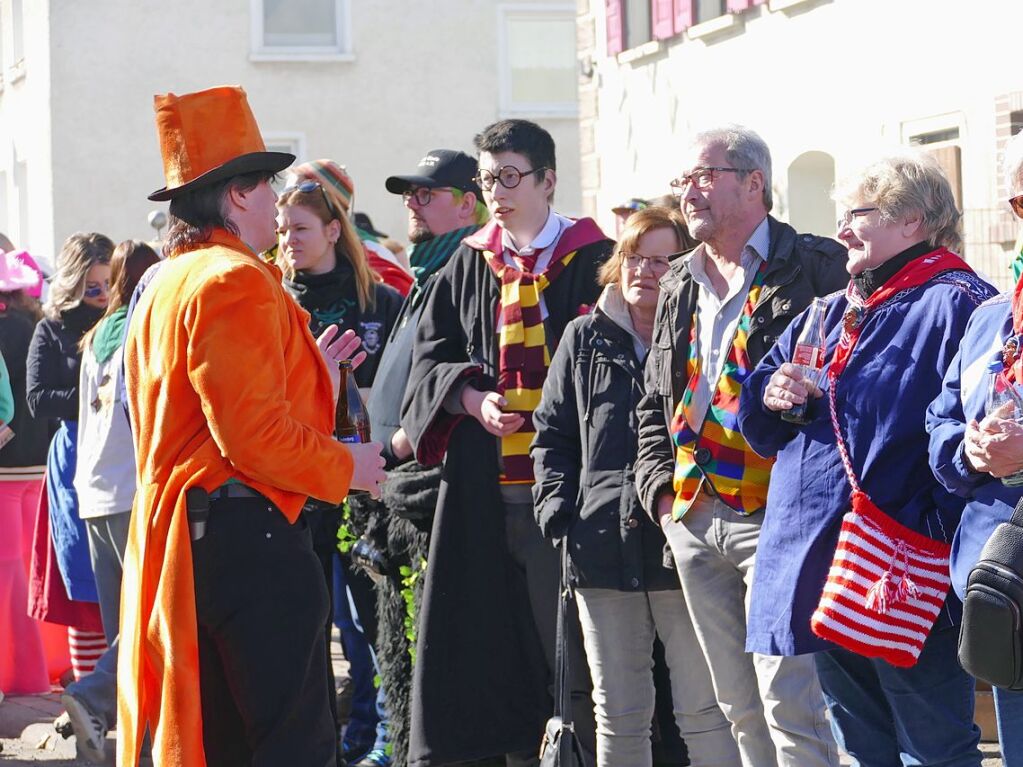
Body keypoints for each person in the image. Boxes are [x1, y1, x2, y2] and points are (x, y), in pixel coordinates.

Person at [117, 85, 386, 767]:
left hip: (202, 538)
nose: (276, 199)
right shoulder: (230, 280)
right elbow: (253, 437)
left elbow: (210, 417)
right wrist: (347, 467)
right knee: (291, 743)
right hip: (248, 541)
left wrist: (313, 381)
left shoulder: (171, 280)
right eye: (267, 185)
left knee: (225, 742)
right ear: (237, 195)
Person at [740, 152, 991, 766]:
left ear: (913, 222)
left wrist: (929, 530)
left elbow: (961, 428)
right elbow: (759, 410)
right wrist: (774, 395)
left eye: (858, 213)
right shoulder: (832, 308)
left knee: (933, 746)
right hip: (829, 560)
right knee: (859, 743)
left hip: (907, 562)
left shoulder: (958, 303)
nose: (842, 230)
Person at [634, 125, 849, 767]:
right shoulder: (678, 279)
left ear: (753, 183)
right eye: (682, 181)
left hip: (779, 515)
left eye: (703, 176)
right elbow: (655, 397)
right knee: (736, 705)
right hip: (694, 512)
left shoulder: (815, 266)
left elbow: (842, 387)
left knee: (792, 704)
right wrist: (661, 498)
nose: (688, 192)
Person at [402, 119, 613, 766]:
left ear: (548, 180)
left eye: (510, 176)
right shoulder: (467, 263)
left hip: (571, 496)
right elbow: (425, 363)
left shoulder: (595, 260)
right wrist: (469, 398)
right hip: (485, 495)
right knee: (497, 657)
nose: (497, 191)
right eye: (487, 178)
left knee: (578, 660)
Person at [531, 206, 736, 766]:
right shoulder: (583, 337)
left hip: (683, 548)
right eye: (633, 257)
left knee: (704, 709)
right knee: (617, 713)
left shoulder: (703, 335)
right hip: (599, 548)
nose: (644, 271)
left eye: (661, 260)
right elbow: (551, 433)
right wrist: (557, 509)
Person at [350, 148, 487, 767]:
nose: (412, 202)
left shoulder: (468, 269)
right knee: (392, 647)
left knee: (426, 650)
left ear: (468, 202)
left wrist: (401, 444)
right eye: (409, 193)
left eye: (427, 193)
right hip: (393, 491)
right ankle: (394, 744)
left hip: (430, 493)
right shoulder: (427, 272)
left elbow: (458, 378)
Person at [277, 177, 403, 766]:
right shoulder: (274, 300)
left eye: (299, 229)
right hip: (299, 479)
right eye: (281, 230)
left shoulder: (380, 302)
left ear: (333, 230)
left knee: (368, 620)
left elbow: (405, 386)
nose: (287, 240)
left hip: (366, 483)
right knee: (311, 621)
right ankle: (334, 735)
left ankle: (380, 733)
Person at [928, 129, 1023, 767]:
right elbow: (939, 422)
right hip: (1006, 594)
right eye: (1021, 201)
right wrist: (973, 450)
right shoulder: (992, 314)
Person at [53, 241, 160, 763]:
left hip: (92, 490)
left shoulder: (97, 333)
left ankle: (129, 742)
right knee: (147, 622)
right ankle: (93, 694)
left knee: (123, 626)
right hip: (130, 488)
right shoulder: (143, 326)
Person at [27, 233, 114, 683]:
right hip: (76, 459)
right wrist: (93, 397)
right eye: (92, 287)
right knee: (83, 585)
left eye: (107, 284)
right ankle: (91, 710)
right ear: (74, 283)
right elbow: (38, 398)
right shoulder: (52, 327)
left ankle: (122, 703)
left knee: (123, 582)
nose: (101, 296)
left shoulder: (125, 319)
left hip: (122, 459)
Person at [0, 251, 51, 695]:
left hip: (3, 470)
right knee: (35, 571)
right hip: (38, 464)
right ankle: (42, 671)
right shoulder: (35, 324)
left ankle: (16, 675)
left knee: (7, 577)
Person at [286, 160, 413, 297]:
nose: (285, 202)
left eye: (298, 195)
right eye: (285, 193)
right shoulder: (284, 259)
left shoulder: (377, 264)